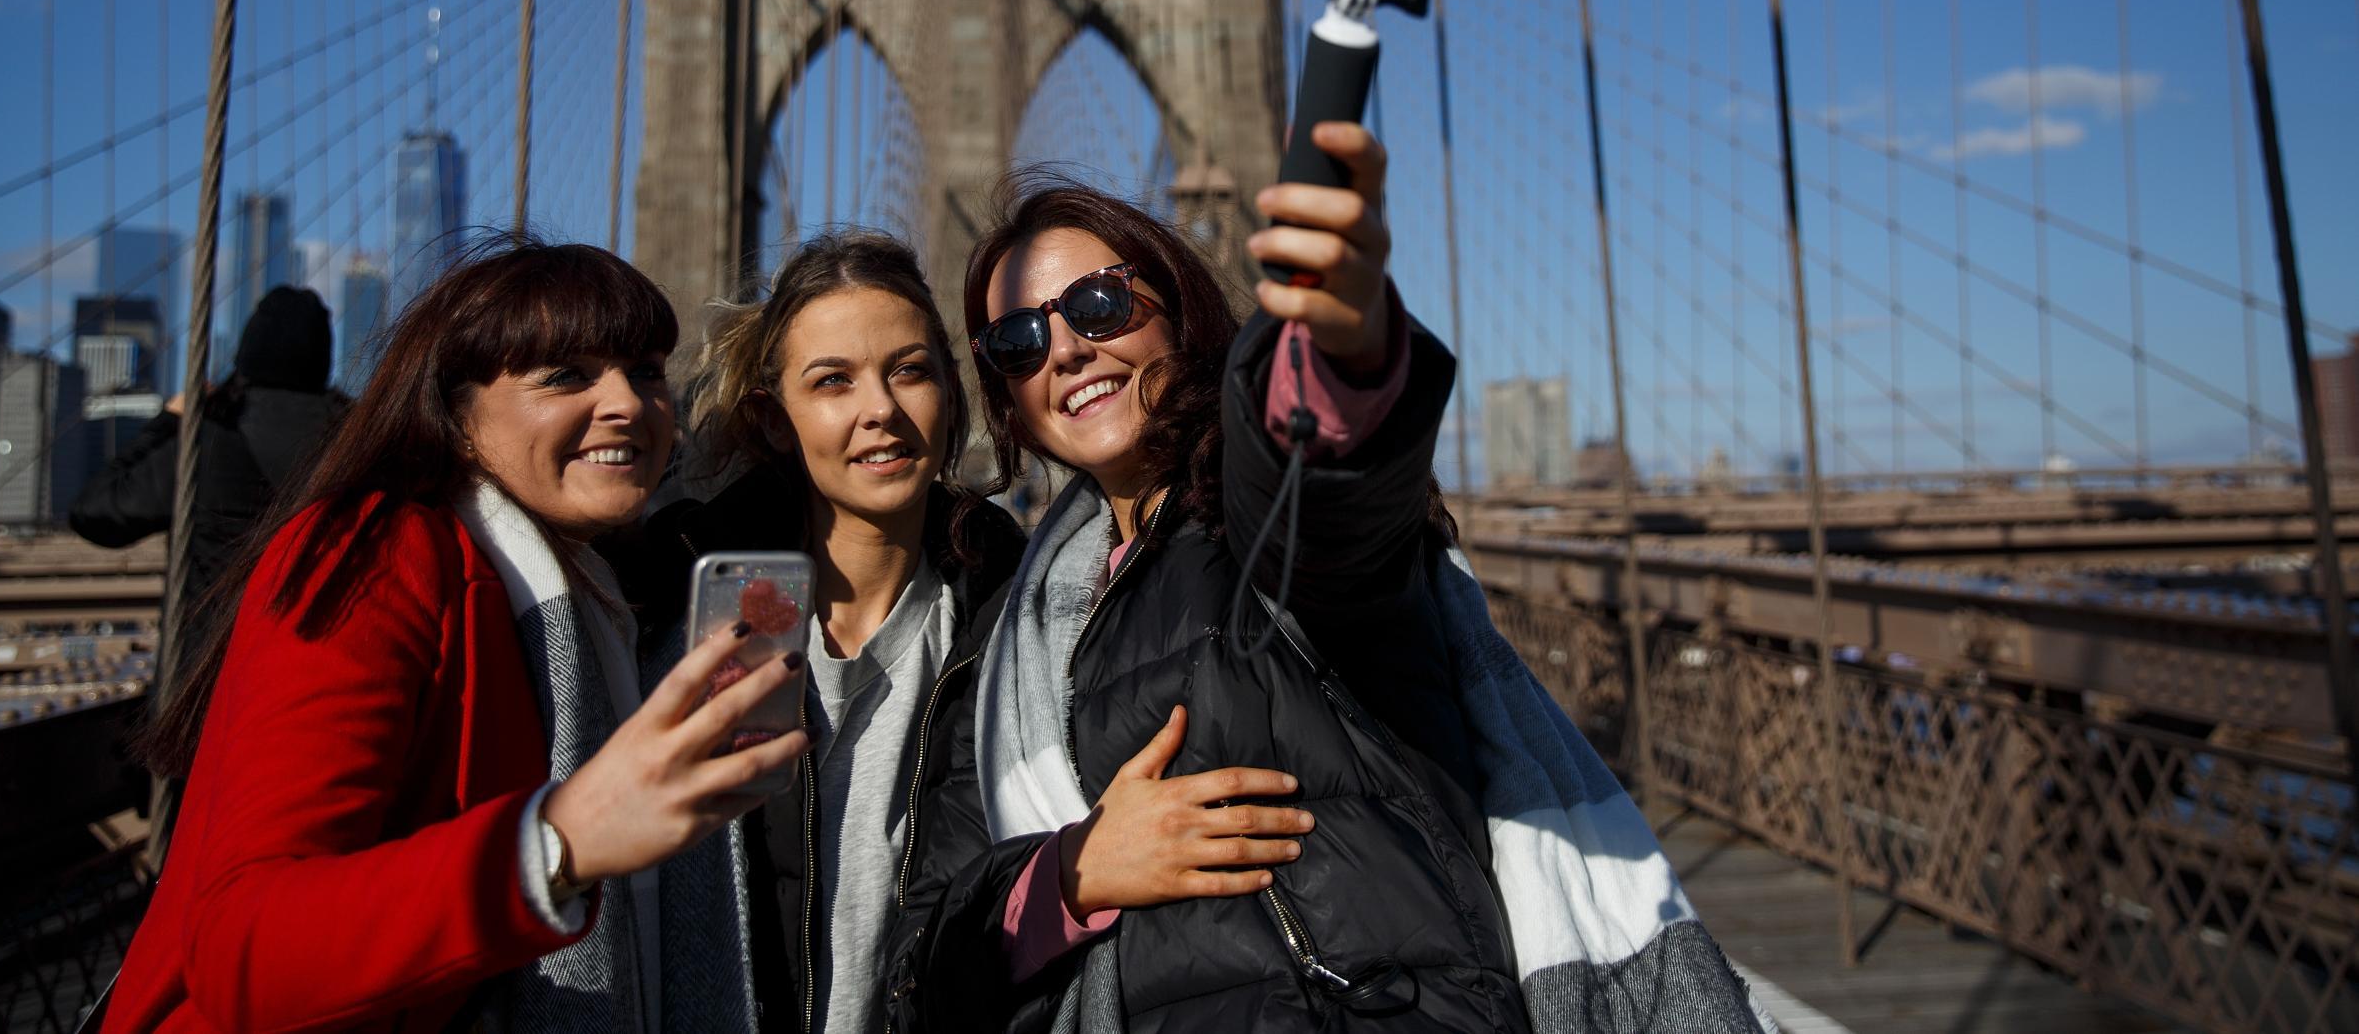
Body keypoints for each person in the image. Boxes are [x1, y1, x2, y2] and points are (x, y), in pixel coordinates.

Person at [885, 124, 1769, 1033]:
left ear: (1176, 307)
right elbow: (922, 973)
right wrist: (1072, 873)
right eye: (1019, 341)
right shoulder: (1002, 657)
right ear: (1007, 398)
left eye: (1100, 305)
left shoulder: (1254, 516)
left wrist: (1344, 344)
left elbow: (1328, 488)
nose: (1065, 350)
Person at [103, 240, 809, 1034]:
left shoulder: (618, 594)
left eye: (646, 369)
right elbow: (245, 949)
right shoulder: (373, 552)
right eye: (566, 374)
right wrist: (555, 843)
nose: (628, 403)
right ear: (457, 412)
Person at [607, 231, 1025, 1034]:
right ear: (774, 417)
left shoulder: (1014, 616)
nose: (881, 409)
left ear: (952, 392)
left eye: (909, 369)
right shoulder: (672, 606)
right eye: (832, 380)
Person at [70, 285, 349, 614]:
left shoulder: (210, 439)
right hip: (316, 657)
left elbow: (95, 515)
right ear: (323, 357)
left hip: (213, 659)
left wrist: (169, 422)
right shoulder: (356, 440)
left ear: (247, 351)